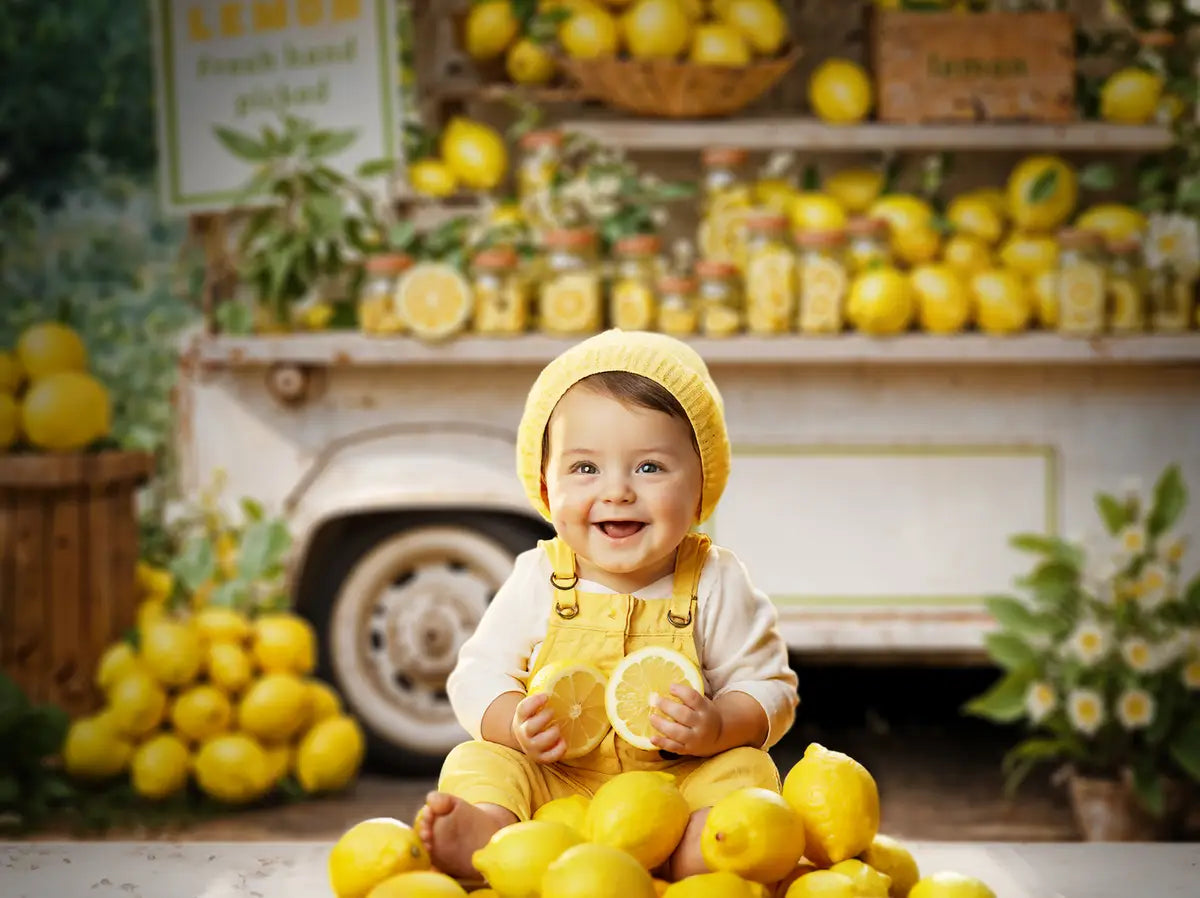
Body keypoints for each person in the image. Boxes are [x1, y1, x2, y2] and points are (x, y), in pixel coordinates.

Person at [416, 329, 799, 881]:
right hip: (557, 777)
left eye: (648, 467)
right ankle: (486, 835)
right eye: (585, 468)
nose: (617, 491)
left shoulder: (714, 580)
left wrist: (717, 727)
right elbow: (477, 674)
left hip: (677, 784)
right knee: (479, 759)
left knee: (747, 769)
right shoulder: (539, 577)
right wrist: (514, 725)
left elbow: (770, 687)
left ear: (700, 490)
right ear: (546, 492)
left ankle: (693, 847)